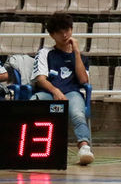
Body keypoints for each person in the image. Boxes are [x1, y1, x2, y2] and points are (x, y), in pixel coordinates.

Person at [32, 13, 93, 165]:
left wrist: (76, 52)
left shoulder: (81, 57)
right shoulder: (45, 53)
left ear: (71, 29)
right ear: (52, 35)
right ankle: (31, 147)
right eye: (59, 32)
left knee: (77, 114)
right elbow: (40, 79)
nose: (64, 35)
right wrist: (55, 91)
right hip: (48, 93)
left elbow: (83, 80)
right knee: (33, 103)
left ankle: (84, 148)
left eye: (67, 30)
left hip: (72, 93)